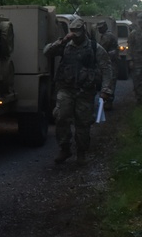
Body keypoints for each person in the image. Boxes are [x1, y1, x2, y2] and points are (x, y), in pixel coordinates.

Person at [44, 17, 113, 164]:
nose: (75, 34)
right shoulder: (65, 45)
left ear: (83, 31)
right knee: (61, 117)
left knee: (83, 123)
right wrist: (61, 41)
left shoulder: (95, 48)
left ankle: (81, 152)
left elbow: (106, 68)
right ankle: (65, 148)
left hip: (85, 91)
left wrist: (106, 89)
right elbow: (47, 52)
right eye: (72, 31)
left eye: (77, 31)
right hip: (66, 89)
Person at [96, 21, 118, 109]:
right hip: (109, 61)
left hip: (110, 62)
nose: (99, 29)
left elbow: (102, 48)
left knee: (110, 82)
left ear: (105, 27)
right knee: (108, 81)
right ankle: (107, 101)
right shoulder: (105, 35)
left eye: (101, 27)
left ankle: (108, 102)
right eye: (99, 28)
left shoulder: (107, 36)